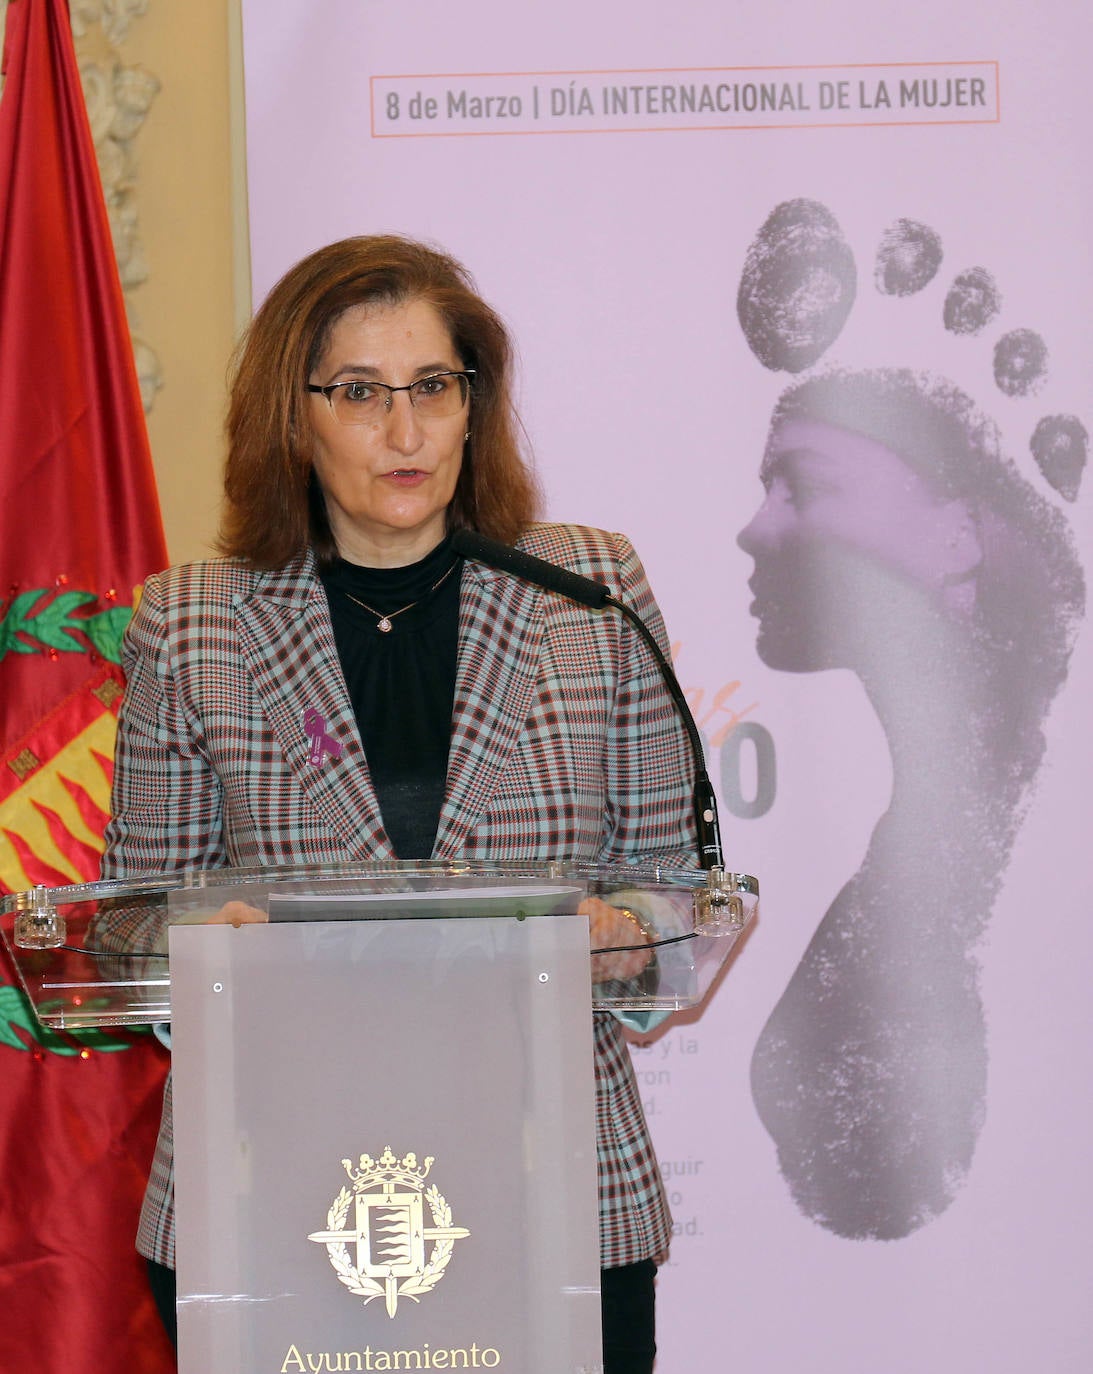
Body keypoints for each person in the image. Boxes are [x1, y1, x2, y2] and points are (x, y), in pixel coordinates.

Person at [99, 234, 696, 1371]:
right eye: (360, 394)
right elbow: (130, 915)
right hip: (272, 1182)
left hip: (549, 1176)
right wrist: (195, 946)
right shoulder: (195, 623)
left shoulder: (589, 593)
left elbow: (669, 880)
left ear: (475, 404)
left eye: (433, 387)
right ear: (295, 414)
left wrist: (631, 929)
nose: (405, 430)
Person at [738, 367, 1083, 1239]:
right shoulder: (951, 826)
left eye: (804, 487)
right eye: (764, 492)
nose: (753, 530)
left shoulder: (999, 854)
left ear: (958, 535)